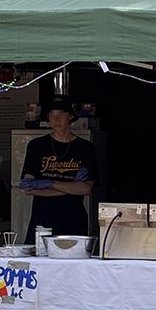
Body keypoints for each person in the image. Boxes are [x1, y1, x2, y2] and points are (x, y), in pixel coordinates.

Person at [20, 95, 98, 244]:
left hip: (73, 221)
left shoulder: (85, 148)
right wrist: (71, 186)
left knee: (72, 257)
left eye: (61, 114)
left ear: (70, 116)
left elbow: (86, 189)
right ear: (48, 118)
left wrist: (48, 183)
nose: (56, 119)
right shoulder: (36, 146)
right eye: (52, 114)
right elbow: (29, 189)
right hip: (42, 222)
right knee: (39, 257)